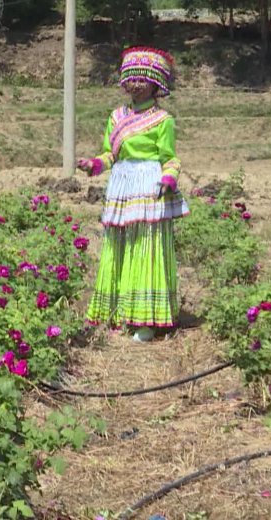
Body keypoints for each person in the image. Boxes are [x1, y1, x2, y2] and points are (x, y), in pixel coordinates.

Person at [77, 46, 189, 342]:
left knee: (146, 248)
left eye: (144, 79)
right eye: (132, 78)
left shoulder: (163, 121)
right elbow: (110, 154)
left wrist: (169, 177)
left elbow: (170, 158)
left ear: (156, 83)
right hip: (122, 188)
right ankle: (116, 314)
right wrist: (94, 164)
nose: (137, 84)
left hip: (149, 188)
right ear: (124, 81)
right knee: (118, 246)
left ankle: (146, 322)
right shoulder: (116, 118)